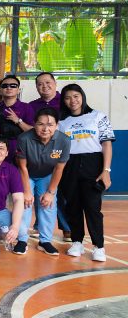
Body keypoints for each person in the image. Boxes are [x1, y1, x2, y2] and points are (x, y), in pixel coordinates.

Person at [59, 84, 114, 262]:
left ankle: (99, 246)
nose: (72, 101)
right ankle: (76, 242)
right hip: (70, 165)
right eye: (67, 98)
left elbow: (106, 144)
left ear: (82, 96)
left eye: (76, 96)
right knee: (73, 206)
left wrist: (106, 170)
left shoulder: (98, 116)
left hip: (93, 164)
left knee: (93, 208)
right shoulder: (62, 122)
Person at [17, 108, 70, 256]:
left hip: (48, 175)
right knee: (24, 203)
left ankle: (45, 241)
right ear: (34, 125)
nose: (45, 129)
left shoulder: (64, 141)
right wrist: (27, 191)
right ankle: (22, 239)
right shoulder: (24, 138)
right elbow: (22, 167)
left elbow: (59, 169)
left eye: (50, 124)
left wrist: (50, 192)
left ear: (57, 125)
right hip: (27, 173)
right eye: (41, 124)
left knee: (48, 204)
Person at [0, 75, 35, 164]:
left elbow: (33, 131)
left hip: (20, 149)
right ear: (0, 90)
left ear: (18, 90)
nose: (9, 88)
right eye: (5, 86)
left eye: (13, 86)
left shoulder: (26, 107)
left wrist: (18, 121)